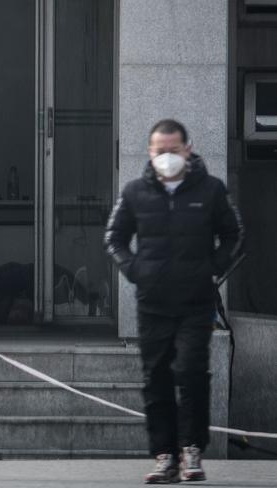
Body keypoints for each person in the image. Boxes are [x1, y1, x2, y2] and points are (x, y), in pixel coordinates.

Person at [104, 119, 244, 484]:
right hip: (152, 302)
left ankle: (192, 450)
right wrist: (134, 270)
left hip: (196, 301)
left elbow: (234, 234)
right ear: (150, 152)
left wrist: (214, 268)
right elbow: (114, 238)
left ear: (187, 148)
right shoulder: (135, 192)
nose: (166, 156)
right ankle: (164, 455)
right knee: (156, 378)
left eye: (173, 149)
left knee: (193, 373)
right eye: (159, 150)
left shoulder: (211, 190)